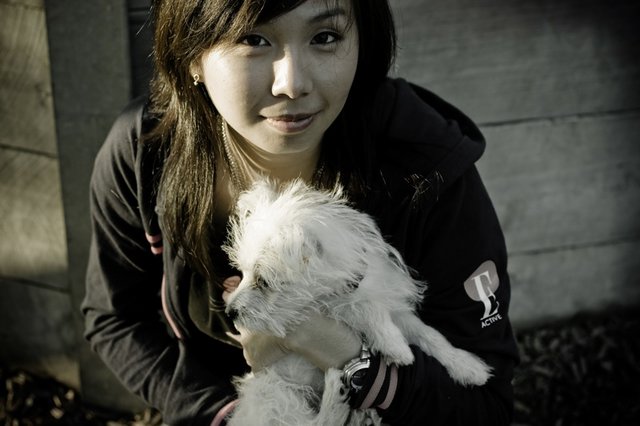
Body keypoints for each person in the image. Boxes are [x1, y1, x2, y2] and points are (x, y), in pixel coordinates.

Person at [82, 0, 520, 424]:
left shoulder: (427, 169)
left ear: (362, 40)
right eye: (253, 39)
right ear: (192, 53)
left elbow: (483, 405)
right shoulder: (147, 152)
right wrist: (229, 416)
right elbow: (116, 319)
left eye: (325, 36)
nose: (291, 83)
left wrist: (346, 355)